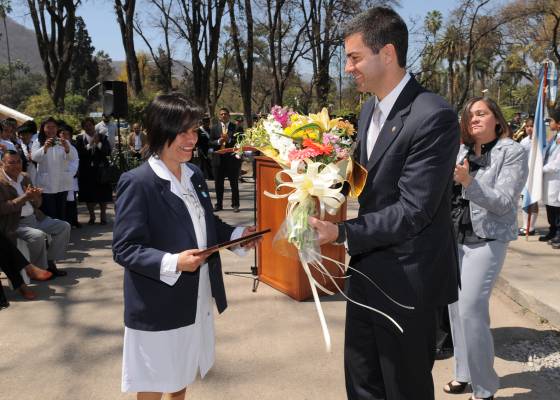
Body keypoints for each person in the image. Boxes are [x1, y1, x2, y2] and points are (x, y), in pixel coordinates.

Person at [308, 7, 460, 400]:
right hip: (365, 275)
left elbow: (414, 210)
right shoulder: (369, 108)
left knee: (403, 388)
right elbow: (364, 177)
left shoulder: (433, 116)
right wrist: (317, 186)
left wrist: (341, 232)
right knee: (362, 384)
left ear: (387, 54)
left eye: (354, 57)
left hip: (408, 283)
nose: (347, 68)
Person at [112, 93, 259, 400]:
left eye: (194, 130)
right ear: (160, 131)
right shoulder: (138, 182)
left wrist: (237, 235)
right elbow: (125, 247)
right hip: (158, 305)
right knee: (154, 383)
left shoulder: (193, 174)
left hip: (195, 298)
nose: (192, 139)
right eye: (183, 132)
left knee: (181, 376)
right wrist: (173, 262)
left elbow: (206, 223)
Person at [445, 97, 528, 400]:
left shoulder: (512, 152)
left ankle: (485, 387)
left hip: (487, 240)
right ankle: (463, 373)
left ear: (496, 118)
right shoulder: (461, 150)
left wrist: (469, 182)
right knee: (454, 307)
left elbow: (504, 202)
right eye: (469, 116)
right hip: (454, 236)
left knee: (471, 310)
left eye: (482, 113)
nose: (475, 119)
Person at [0, 150, 70, 277]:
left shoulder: (25, 177)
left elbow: (37, 205)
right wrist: (25, 198)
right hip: (14, 223)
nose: (16, 165)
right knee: (38, 236)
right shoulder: (1, 182)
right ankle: (38, 270)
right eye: (11, 162)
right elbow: (3, 208)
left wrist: (36, 197)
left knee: (63, 226)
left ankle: (50, 262)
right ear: (2, 163)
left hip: (35, 217)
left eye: (19, 162)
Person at [30, 117, 77, 221]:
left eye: (54, 127)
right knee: (49, 212)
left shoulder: (63, 141)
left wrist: (67, 148)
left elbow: (72, 158)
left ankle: (61, 235)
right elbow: (34, 158)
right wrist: (45, 147)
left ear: (57, 128)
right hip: (47, 184)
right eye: (48, 127)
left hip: (62, 183)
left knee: (61, 213)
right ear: (43, 128)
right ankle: (49, 236)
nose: (51, 130)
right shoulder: (38, 142)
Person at [75, 117, 112, 225]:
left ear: (93, 125)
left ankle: (103, 216)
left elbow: (108, 151)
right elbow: (79, 153)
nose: (88, 127)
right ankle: (92, 216)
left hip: (101, 170)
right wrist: (90, 144)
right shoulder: (79, 138)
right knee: (89, 195)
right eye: (86, 125)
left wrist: (98, 144)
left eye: (90, 125)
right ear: (83, 127)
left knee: (103, 194)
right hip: (86, 171)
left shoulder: (102, 137)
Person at [209, 107, 242, 212]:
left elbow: (240, 143)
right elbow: (210, 142)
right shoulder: (214, 128)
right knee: (218, 184)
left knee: (234, 184)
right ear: (219, 116)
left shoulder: (236, 128)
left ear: (229, 115)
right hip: (218, 160)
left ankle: (235, 205)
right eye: (221, 114)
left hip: (232, 160)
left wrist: (229, 140)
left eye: (225, 114)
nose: (223, 116)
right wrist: (219, 141)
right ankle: (219, 204)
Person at [540, 109, 560, 249]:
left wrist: (540, 169)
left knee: (557, 208)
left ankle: (559, 233)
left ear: (558, 124)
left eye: (551, 120)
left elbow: (557, 164)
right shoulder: (554, 137)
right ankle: (552, 230)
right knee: (549, 206)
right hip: (549, 178)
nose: (550, 123)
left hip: (556, 179)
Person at [518, 116, 538, 236]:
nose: (529, 128)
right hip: (525, 174)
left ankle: (531, 227)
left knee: (533, 200)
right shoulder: (524, 141)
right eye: (527, 126)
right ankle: (526, 226)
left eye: (531, 126)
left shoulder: (539, 142)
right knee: (524, 200)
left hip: (534, 175)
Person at [58, 123, 81, 228]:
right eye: (63, 133)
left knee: (71, 200)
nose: (65, 136)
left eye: (67, 134)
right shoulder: (55, 146)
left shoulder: (73, 148)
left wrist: (69, 173)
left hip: (70, 177)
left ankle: (72, 221)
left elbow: (75, 162)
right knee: (61, 202)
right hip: (58, 179)